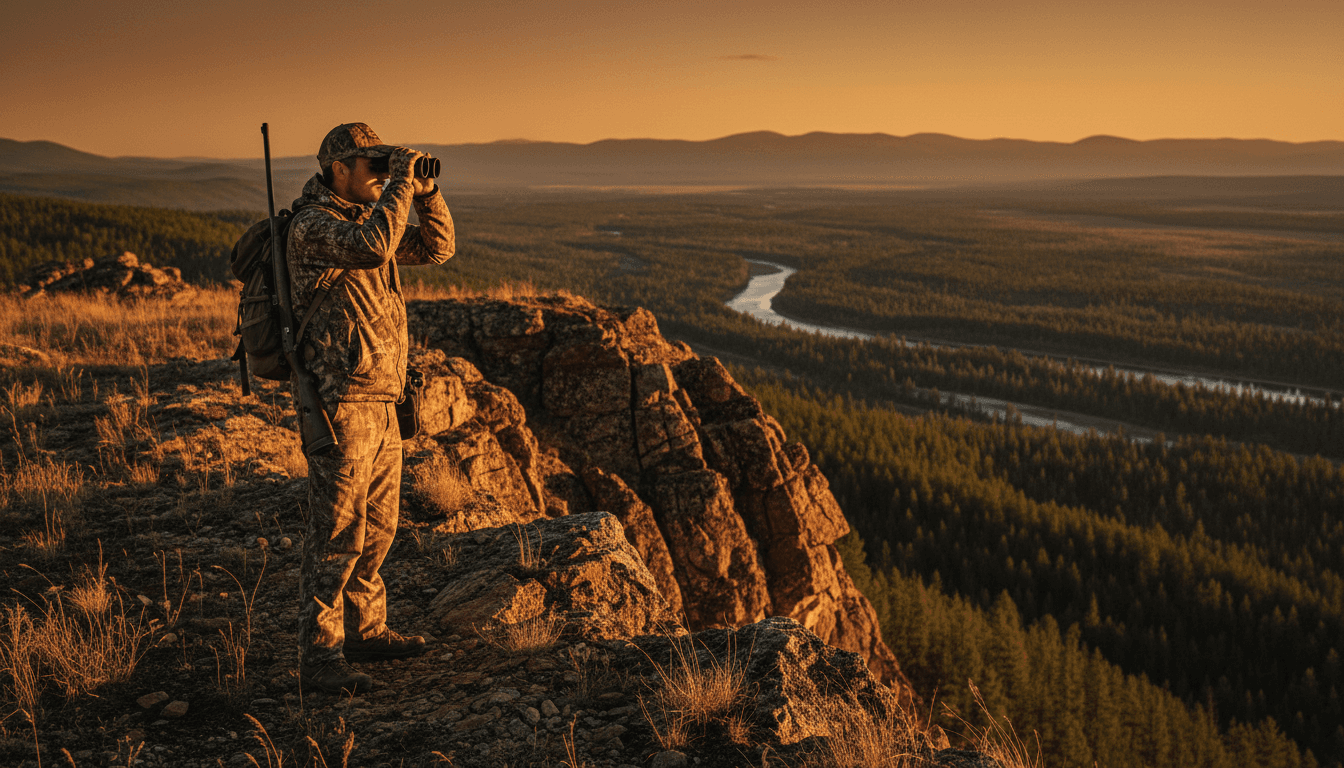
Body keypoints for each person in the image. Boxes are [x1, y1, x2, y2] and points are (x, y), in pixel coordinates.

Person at [288, 122, 454, 694]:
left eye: (384, 167)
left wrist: (427, 193)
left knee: (378, 528)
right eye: (372, 167)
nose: (382, 177)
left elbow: (437, 248)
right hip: (340, 402)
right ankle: (321, 654)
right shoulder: (315, 227)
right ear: (337, 169)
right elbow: (376, 247)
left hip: (382, 399)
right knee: (337, 530)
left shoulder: (365, 219)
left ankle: (366, 630)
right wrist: (401, 185)